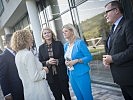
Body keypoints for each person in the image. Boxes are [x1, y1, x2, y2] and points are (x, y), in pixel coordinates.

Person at [103, 1, 133, 100]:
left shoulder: (128, 24)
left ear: (116, 10)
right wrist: (107, 59)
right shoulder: (113, 28)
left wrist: (113, 59)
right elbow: (112, 48)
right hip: (122, 78)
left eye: (107, 12)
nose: (105, 15)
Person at [10, 29, 51, 100]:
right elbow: (35, 77)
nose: (32, 39)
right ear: (25, 39)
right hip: (39, 92)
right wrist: (45, 70)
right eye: (30, 37)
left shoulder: (18, 55)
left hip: (29, 91)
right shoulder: (28, 54)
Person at [38, 27, 71, 100]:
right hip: (50, 77)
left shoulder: (59, 44)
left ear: (52, 34)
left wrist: (57, 61)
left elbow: (64, 57)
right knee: (57, 96)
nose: (47, 34)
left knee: (67, 95)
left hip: (61, 74)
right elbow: (40, 62)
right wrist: (47, 62)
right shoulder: (41, 48)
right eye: (45, 33)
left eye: (48, 32)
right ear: (43, 36)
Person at [62, 23, 93, 100]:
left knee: (87, 96)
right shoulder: (65, 45)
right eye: (63, 32)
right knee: (79, 97)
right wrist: (66, 62)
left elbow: (89, 57)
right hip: (71, 74)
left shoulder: (79, 43)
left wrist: (77, 60)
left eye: (66, 31)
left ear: (72, 31)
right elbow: (67, 58)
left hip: (82, 73)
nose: (64, 33)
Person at [0, 34, 24, 100]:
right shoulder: (3, 57)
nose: (16, 42)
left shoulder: (18, 53)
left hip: (24, 88)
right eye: (14, 40)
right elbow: (2, 77)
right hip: (15, 92)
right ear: (7, 42)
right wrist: (7, 94)